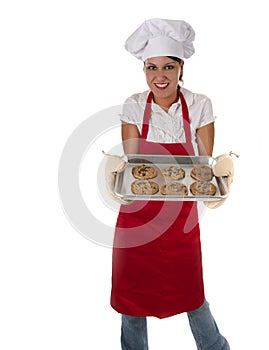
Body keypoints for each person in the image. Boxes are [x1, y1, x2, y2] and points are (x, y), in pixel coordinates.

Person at [105, 18, 233, 350]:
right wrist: (115, 171)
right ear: (144, 70)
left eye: (168, 66)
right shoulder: (134, 105)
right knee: (132, 294)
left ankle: (215, 347)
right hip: (138, 214)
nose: (159, 76)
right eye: (151, 67)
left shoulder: (200, 104)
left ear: (181, 68)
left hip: (181, 217)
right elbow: (134, 164)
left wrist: (220, 176)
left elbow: (202, 163)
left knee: (191, 291)